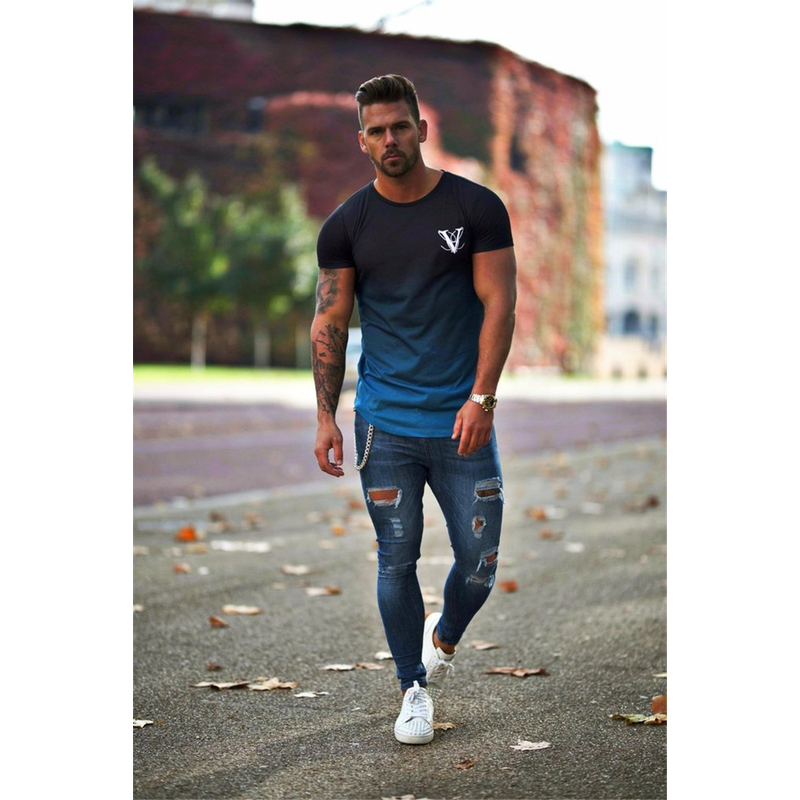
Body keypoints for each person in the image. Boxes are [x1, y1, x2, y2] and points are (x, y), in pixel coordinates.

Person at [311, 74, 517, 745]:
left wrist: (482, 397)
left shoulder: (476, 207)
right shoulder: (347, 225)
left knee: (480, 563)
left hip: (462, 422)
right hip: (385, 424)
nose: (390, 139)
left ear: (421, 129)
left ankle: (444, 638)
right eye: (376, 131)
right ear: (362, 140)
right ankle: (412, 687)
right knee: (396, 559)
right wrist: (325, 417)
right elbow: (330, 322)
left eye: (400, 126)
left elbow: (500, 303)